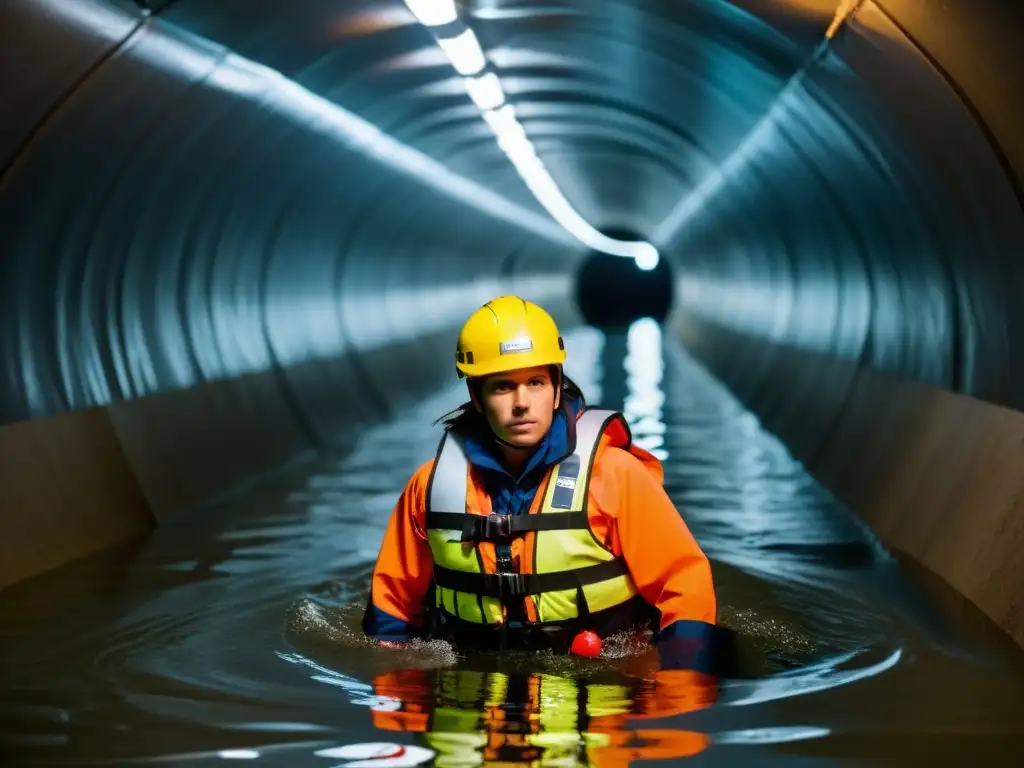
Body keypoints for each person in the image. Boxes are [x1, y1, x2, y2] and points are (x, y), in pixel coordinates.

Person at [361, 295, 717, 659]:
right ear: (477, 396)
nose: (522, 402)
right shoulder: (430, 487)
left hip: (603, 691)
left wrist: (681, 687)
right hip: (475, 683)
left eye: (535, 382)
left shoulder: (614, 476)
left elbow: (684, 587)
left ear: (557, 386)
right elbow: (392, 612)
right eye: (503, 386)